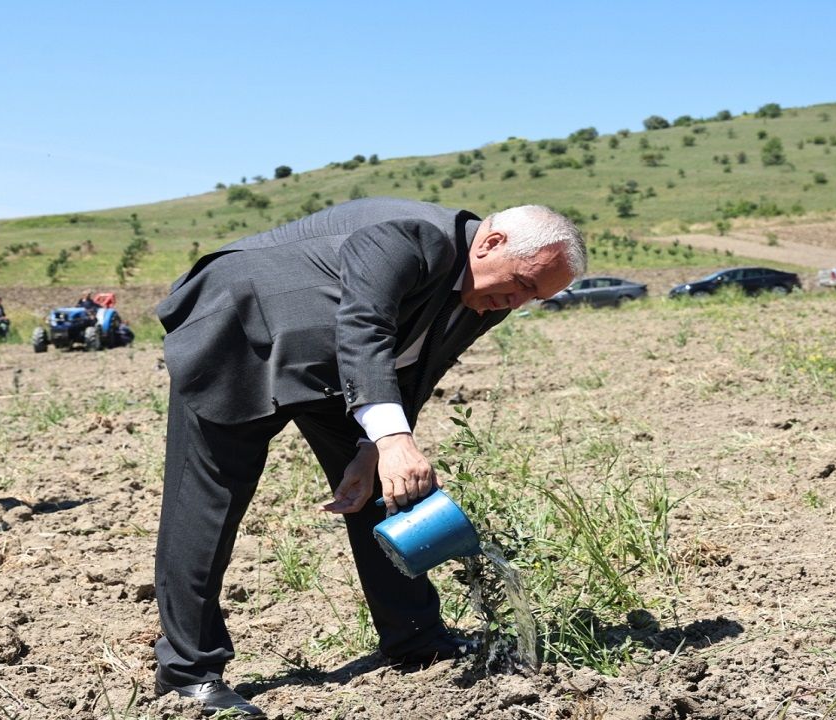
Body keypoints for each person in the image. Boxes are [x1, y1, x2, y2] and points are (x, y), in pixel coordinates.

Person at [152, 198, 583, 716]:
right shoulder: (411, 236)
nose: (517, 302)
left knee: (389, 487)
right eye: (523, 284)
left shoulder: (489, 293)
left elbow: (420, 369)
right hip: (240, 333)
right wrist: (393, 440)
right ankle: (189, 673)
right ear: (491, 244)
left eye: (534, 298)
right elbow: (365, 326)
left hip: (336, 365)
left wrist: (370, 447)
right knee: (207, 505)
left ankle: (416, 639)